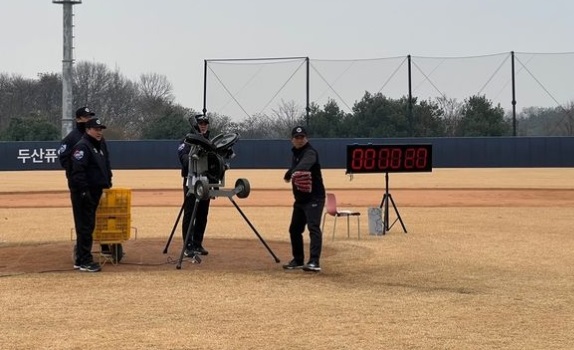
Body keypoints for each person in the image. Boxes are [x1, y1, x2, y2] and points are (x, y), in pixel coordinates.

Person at [69, 117, 113, 272]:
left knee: (88, 225)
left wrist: (108, 181)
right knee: (85, 227)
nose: (99, 132)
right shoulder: (83, 146)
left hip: (95, 191)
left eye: (100, 129)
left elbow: (104, 166)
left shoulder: (97, 145)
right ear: (88, 130)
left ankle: (81, 259)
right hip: (84, 193)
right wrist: (83, 192)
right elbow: (78, 172)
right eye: (96, 129)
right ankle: (85, 260)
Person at [282, 126, 326, 272]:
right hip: (300, 199)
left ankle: (314, 261)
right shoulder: (296, 153)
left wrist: (292, 173)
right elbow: (297, 167)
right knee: (294, 229)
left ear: (307, 138)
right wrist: (290, 172)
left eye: (302, 137)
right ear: (292, 140)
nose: (299, 140)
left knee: (313, 228)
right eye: (297, 138)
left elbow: (305, 165)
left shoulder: (310, 152)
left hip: (314, 197)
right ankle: (298, 260)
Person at [177, 114, 212, 257]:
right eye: (201, 123)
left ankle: (197, 243)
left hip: (206, 181)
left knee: (203, 214)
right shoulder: (188, 139)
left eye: (205, 123)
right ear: (196, 124)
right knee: (190, 213)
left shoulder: (210, 141)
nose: (203, 125)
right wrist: (189, 160)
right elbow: (182, 154)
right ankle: (188, 245)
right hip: (191, 181)